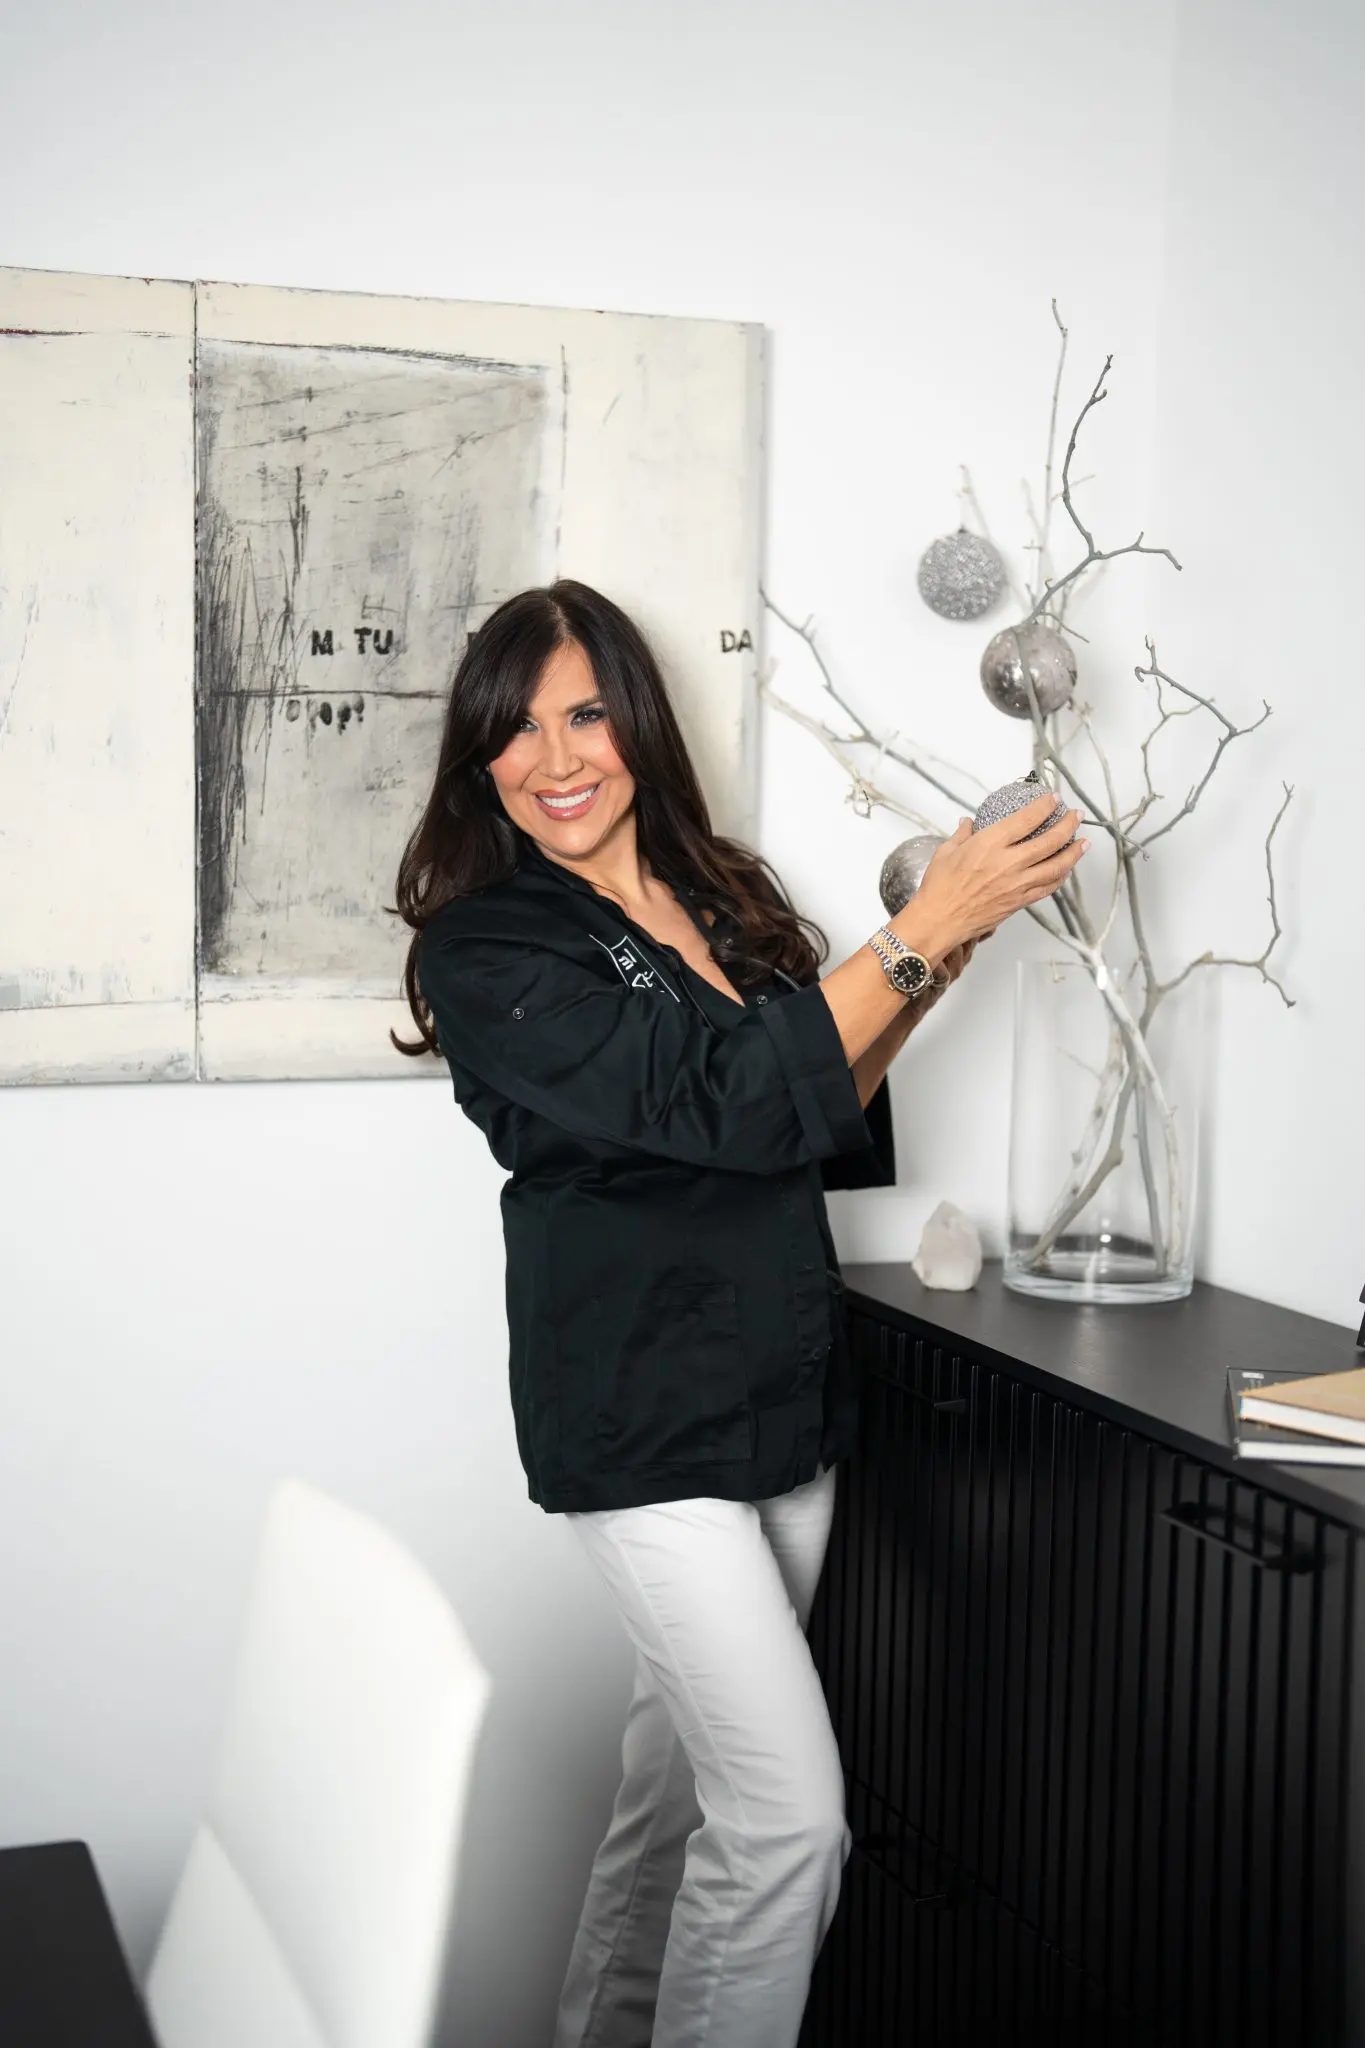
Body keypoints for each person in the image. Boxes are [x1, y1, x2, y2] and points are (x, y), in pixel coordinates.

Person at [392, 580, 1087, 2048]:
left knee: (677, 1798)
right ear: (480, 757)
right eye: (518, 729)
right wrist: (922, 928)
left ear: (637, 722)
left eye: (587, 714)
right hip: (641, 1420)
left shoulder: (725, 897)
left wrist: (929, 964)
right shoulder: (491, 945)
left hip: (782, 1397)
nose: (556, 758)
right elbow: (712, 1101)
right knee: (786, 1823)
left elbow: (809, 1118)